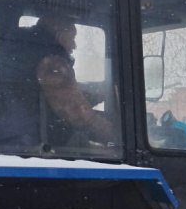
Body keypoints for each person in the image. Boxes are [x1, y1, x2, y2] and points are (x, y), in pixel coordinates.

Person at [25, 13, 118, 147]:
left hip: (34, 133)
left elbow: (62, 93)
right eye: (72, 38)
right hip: (51, 141)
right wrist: (116, 136)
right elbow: (78, 113)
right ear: (59, 35)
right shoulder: (52, 65)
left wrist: (100, 92)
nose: (74, 45)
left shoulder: (30, 58)